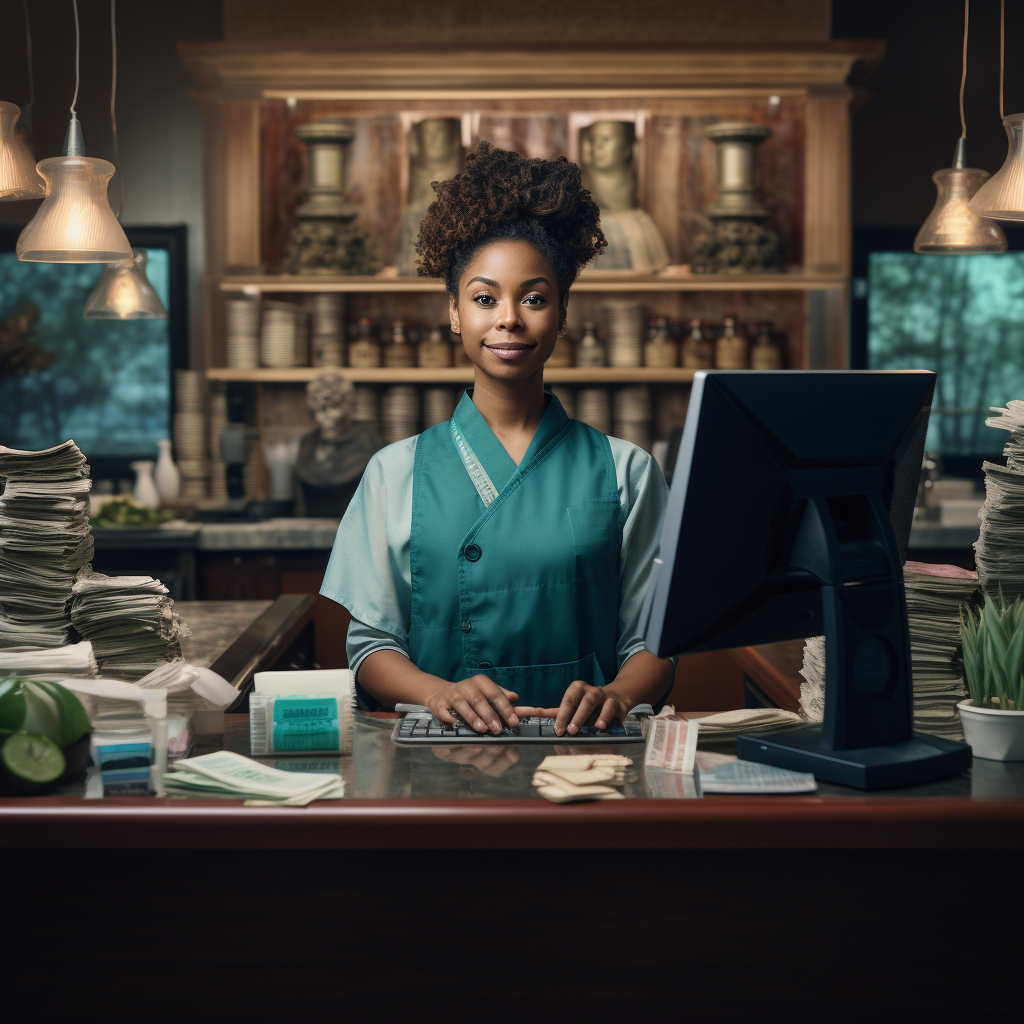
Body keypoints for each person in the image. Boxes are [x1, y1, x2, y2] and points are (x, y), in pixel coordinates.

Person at [322, 141, 675, 737]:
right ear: (455, 312)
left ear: (562, 314)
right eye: (485, 298)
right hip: (438, 755)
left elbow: (657, 644)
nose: (509, 318)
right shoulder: (394, 471)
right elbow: (371, 647)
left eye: (534, 298)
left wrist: (615, 695)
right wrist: (439, 693)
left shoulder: (627, 471)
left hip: (586, 751)